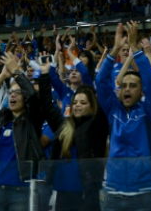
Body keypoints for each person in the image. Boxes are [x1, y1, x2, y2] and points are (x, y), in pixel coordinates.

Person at [96, 22, 151, 211]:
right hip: (113, 192)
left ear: (141, 91)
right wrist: (116, 49)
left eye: (133, 86)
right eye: (124, 85)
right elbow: (101, 81)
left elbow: (150, 81)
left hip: (144, 193)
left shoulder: (150, 111)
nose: (127, 89)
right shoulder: (113, 110)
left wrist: (136, 50)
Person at [0, 52, 46, 211]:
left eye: (18, 92)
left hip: (20, 190)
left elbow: (33, 98)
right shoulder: (3, 118)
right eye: (10, 93)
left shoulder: (32, 120)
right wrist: (2, 76)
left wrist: (17, 72)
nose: (12, 95)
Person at [41, 55, 109, 211]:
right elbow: (46, 104)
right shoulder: (63, 125)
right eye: (75, 102)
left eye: (83, 102)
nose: (77, 105)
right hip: (63, 193)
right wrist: (45, 75)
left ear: (92, 106)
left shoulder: (97, 125)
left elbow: (93, 88)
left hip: (87, 195)